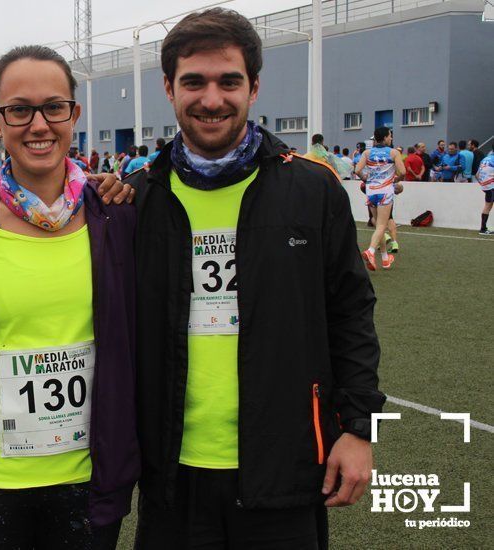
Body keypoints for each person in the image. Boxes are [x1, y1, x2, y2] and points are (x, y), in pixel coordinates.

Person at [127, 9, 384, 549]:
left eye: (229, 81)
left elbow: (351, 313)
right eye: (193, 82)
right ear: (169, 88)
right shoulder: (136, 197)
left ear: (255, 86)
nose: (212, 99)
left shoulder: (312, 190)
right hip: (171, 477)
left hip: (286, 468)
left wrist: (358, 428)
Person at [0, 44, 138, 550]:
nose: (38, 124)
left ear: (74, 114)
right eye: (19, 110)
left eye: (54, 107)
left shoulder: (119, 216)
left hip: (88, 478)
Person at [357, 126, 405, 270]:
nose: (391, 138)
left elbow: (357, 170)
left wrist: (365, 179)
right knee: (382, 225)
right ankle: (371, 251)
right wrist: (395, 180)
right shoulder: (393, 152)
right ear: (384, 137)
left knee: (378, 224)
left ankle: (384, 259)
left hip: (371, 191)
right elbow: (403, 171)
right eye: (390, 136)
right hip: (385, 191)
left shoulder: (366, 152)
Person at [476, 148, 494, 234]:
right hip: (491, 186)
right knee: (488, 206)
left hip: (486, 186)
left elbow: (477, 175)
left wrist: (483, 184)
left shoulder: (485, 158)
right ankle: (483, 229)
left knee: (488, 206)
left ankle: (483, 228)